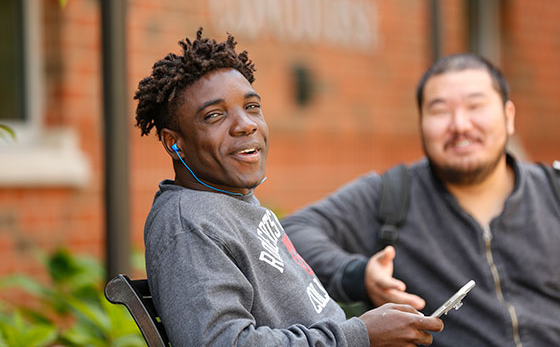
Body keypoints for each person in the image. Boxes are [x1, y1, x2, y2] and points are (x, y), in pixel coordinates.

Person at [133, 28, 443, 346]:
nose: (246, 124)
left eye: (252, 107)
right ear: (175, 143)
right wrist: (360, 335)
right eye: (214, 116)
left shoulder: (230, 203)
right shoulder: (188, 223)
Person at [282, 53, 560, 346]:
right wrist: (358, 274)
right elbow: (290, 233)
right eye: (439, 110)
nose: (460, 125)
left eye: (475, 106)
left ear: (508, 115)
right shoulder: (391, 196)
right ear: (421, 122)